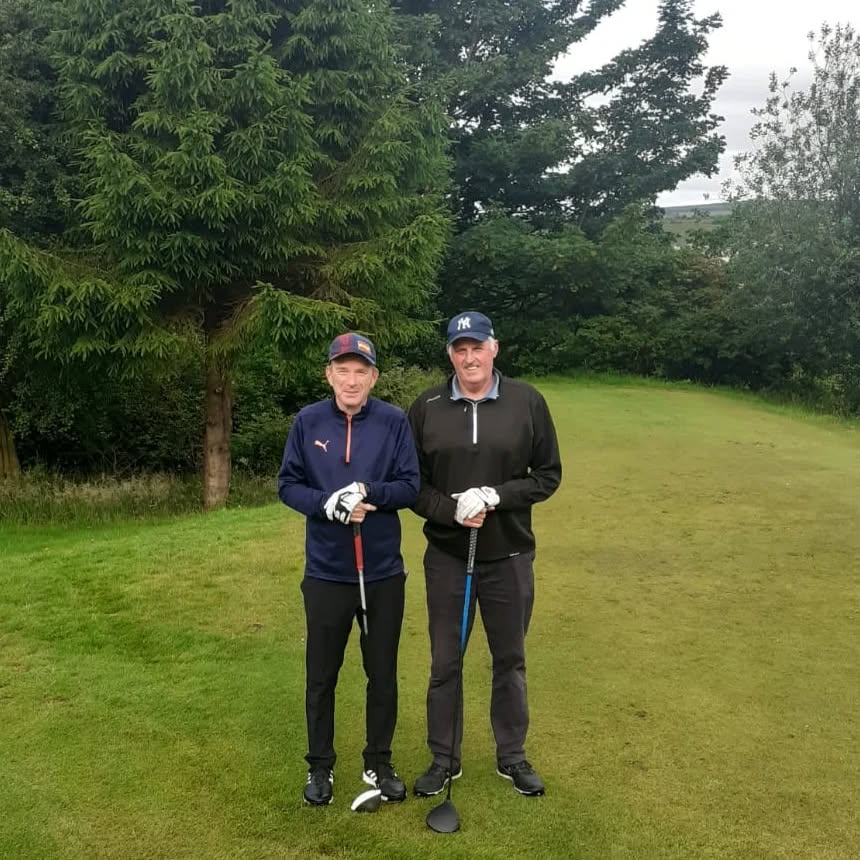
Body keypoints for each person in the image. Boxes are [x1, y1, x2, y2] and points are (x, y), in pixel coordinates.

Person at [407, 311, 562, 798]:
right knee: (445, 661)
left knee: (509, 660)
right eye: (459, 349)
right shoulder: (427, 406)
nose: (468, 357)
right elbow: (413, 485)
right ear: (450, 353)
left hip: (510, 554)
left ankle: (512, 757)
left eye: (477, 347)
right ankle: (443, 758)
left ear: (494, 348)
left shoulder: (526, 402)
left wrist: (496, 496)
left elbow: (547, 475)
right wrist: (450, 509)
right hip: (450, 557)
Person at [278, 332, 419, 806]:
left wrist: (367, 494)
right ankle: (321, 768)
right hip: (326, 572)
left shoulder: (394, 422)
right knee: (321, 674)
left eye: (361, 371)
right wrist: (328, 504)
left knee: (382, 673)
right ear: (329, 374)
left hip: (381, 572)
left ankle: (378, 762)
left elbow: (409, 486)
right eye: (343, 370)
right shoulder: (308, 421)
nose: (352, 380)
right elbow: (288, 486)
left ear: (374, 377)